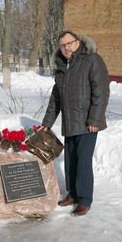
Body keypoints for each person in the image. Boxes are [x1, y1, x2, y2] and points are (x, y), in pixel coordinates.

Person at [41, 30, 110, 216]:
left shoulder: (92, 60)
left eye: (69, 43)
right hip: (70, 122)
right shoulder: (62, 66)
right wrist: (46, 123)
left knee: (83, 162)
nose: (66, 48)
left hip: (88, 123)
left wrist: (95, 119)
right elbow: (56, 98)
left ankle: (85, 199)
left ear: (78, 42)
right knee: (71, 159)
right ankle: (73, 194)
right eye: (62, 45)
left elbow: (101, 91)